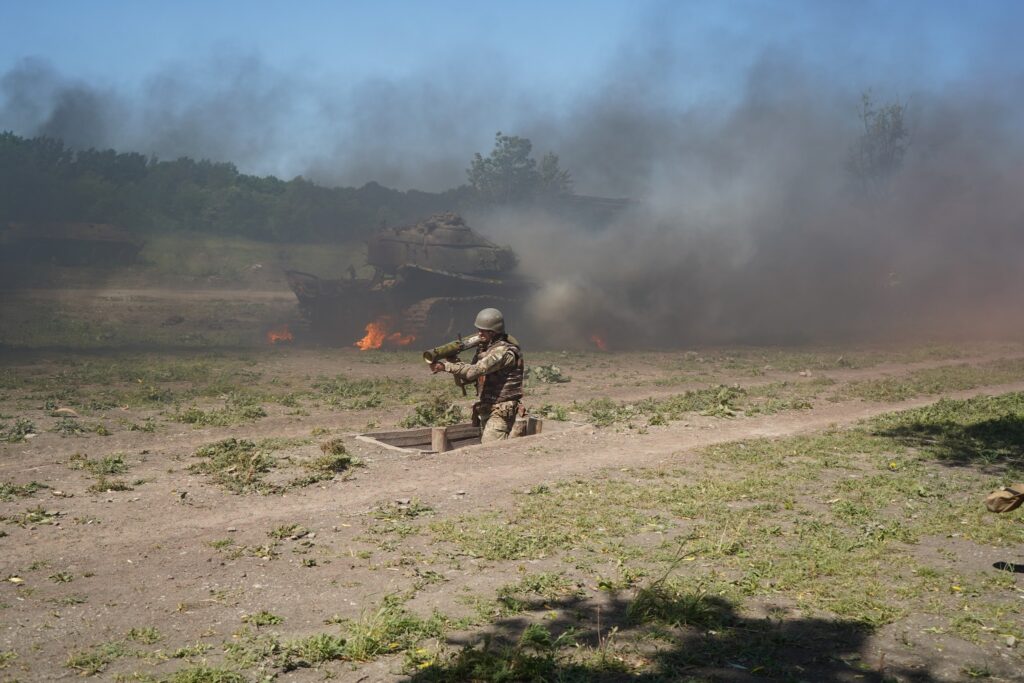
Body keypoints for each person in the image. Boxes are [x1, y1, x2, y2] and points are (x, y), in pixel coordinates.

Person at [430, 308, 524, 443]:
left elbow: (472, 372)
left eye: (483, 331)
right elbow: (469, 378)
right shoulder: (488, 349)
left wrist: (445, 366)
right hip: (488, 408)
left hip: (501, 411)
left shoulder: (503, 352)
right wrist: (454, 361)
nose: (479, 334)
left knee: (490, 450)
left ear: (493, 332)